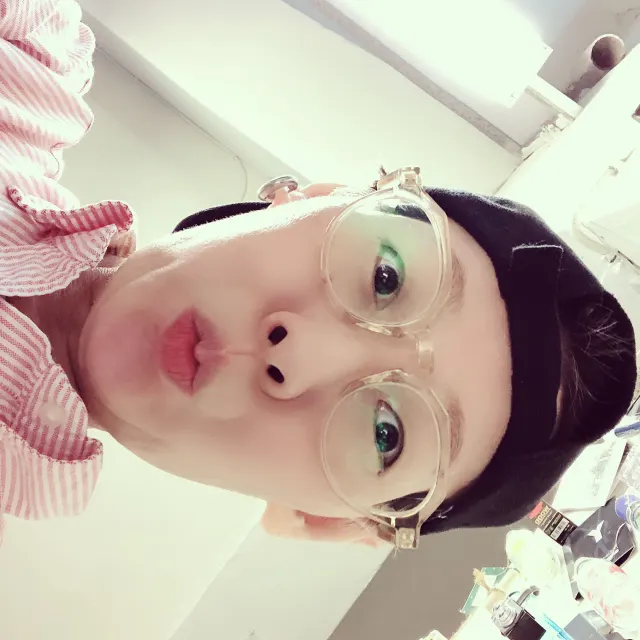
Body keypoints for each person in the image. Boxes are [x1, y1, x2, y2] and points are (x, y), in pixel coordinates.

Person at [0, 0, 636, 551]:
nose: (296, 352)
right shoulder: (32, 54)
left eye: (385, 435)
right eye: (386, 277)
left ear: (327, 520)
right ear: (318, 197)